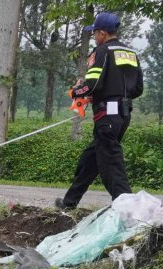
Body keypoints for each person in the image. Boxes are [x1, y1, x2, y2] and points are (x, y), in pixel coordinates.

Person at [56, 12, 143, 210]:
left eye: (95, 33)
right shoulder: (131, 53)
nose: (94, 36)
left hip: (107, 116)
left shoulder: (102, 51)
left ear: (103, 33)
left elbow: (92, 84)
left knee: (110, 163)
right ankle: (69, 203)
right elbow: (138, 89)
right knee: (90, 159)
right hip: (123, 115)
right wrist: (115, 95)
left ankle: (128, 209)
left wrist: (76, 92)